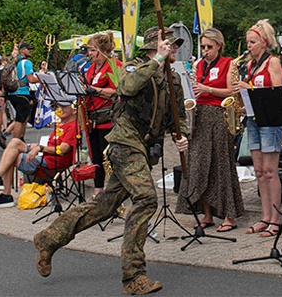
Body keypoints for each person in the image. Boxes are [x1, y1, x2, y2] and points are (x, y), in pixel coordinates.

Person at [33, 27, 189, 296]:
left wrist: (182, 135)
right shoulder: (135, 67)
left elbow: (178, 116)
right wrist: (156, 61)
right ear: (155, 46)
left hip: (143, 147)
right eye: (169, 44)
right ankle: (133, 276)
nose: (174, 48)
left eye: (174, 45)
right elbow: (126, 88)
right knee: (146, 198)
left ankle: (49, 239)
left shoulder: (173, 79)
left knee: (104, 206)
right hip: (124, 144)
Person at [178, 28, 245, 232]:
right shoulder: (198, 65)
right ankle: (206, 213)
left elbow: (231, 92)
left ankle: (229, 216)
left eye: (209, 47)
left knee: (220, 165)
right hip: (199, 117)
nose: (205, 50)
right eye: (203, 47)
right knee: (199, 165)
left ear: (219, 46)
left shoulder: (228, 63)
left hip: (218, 116)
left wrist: (207, 89)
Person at [235, 19, 282, 238]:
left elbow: (278, 92)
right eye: (248, 42)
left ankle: (276, 217)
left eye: (253, 42)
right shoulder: (249, 65)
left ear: (264, 42)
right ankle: (265, 216)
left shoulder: (272, 62)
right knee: (258, 171)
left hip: (270, 120)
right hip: (252, 118)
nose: (249, 46)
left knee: (270, 170)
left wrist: (250, 90)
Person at [0, 101, 78, 208]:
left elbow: (63, 149)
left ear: (74, 110)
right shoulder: (61, 124)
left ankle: (4, 191)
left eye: (64, 106)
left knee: (12, 156)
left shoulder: (72, 126)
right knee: (15, 142)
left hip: (51, 164)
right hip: (45, 157)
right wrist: (37, 146)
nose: (60, 109)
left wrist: (40, 148)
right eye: (59, 106)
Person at [81, 33, 122, 197]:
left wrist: (95, 90)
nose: (89, 53)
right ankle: (98, 191)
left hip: (107, 119)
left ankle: (113, 193)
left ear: (103, 50)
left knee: (109, 158)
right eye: (89, 50)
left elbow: (117, 92)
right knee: (96, 156)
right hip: (92, 118)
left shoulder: (114, 66)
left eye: (93, 50)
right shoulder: (92, 67)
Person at [4, 42, 40, 146]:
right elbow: (30, 79)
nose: (30, 51)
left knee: (22, 117)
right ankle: (15, 143)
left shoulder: (15, 61)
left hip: (12, 92)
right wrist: (42, 78)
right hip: (22, 92)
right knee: (21, 119)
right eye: (28, 49)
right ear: (22, 50)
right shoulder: (26, 62)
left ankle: (20, 139)